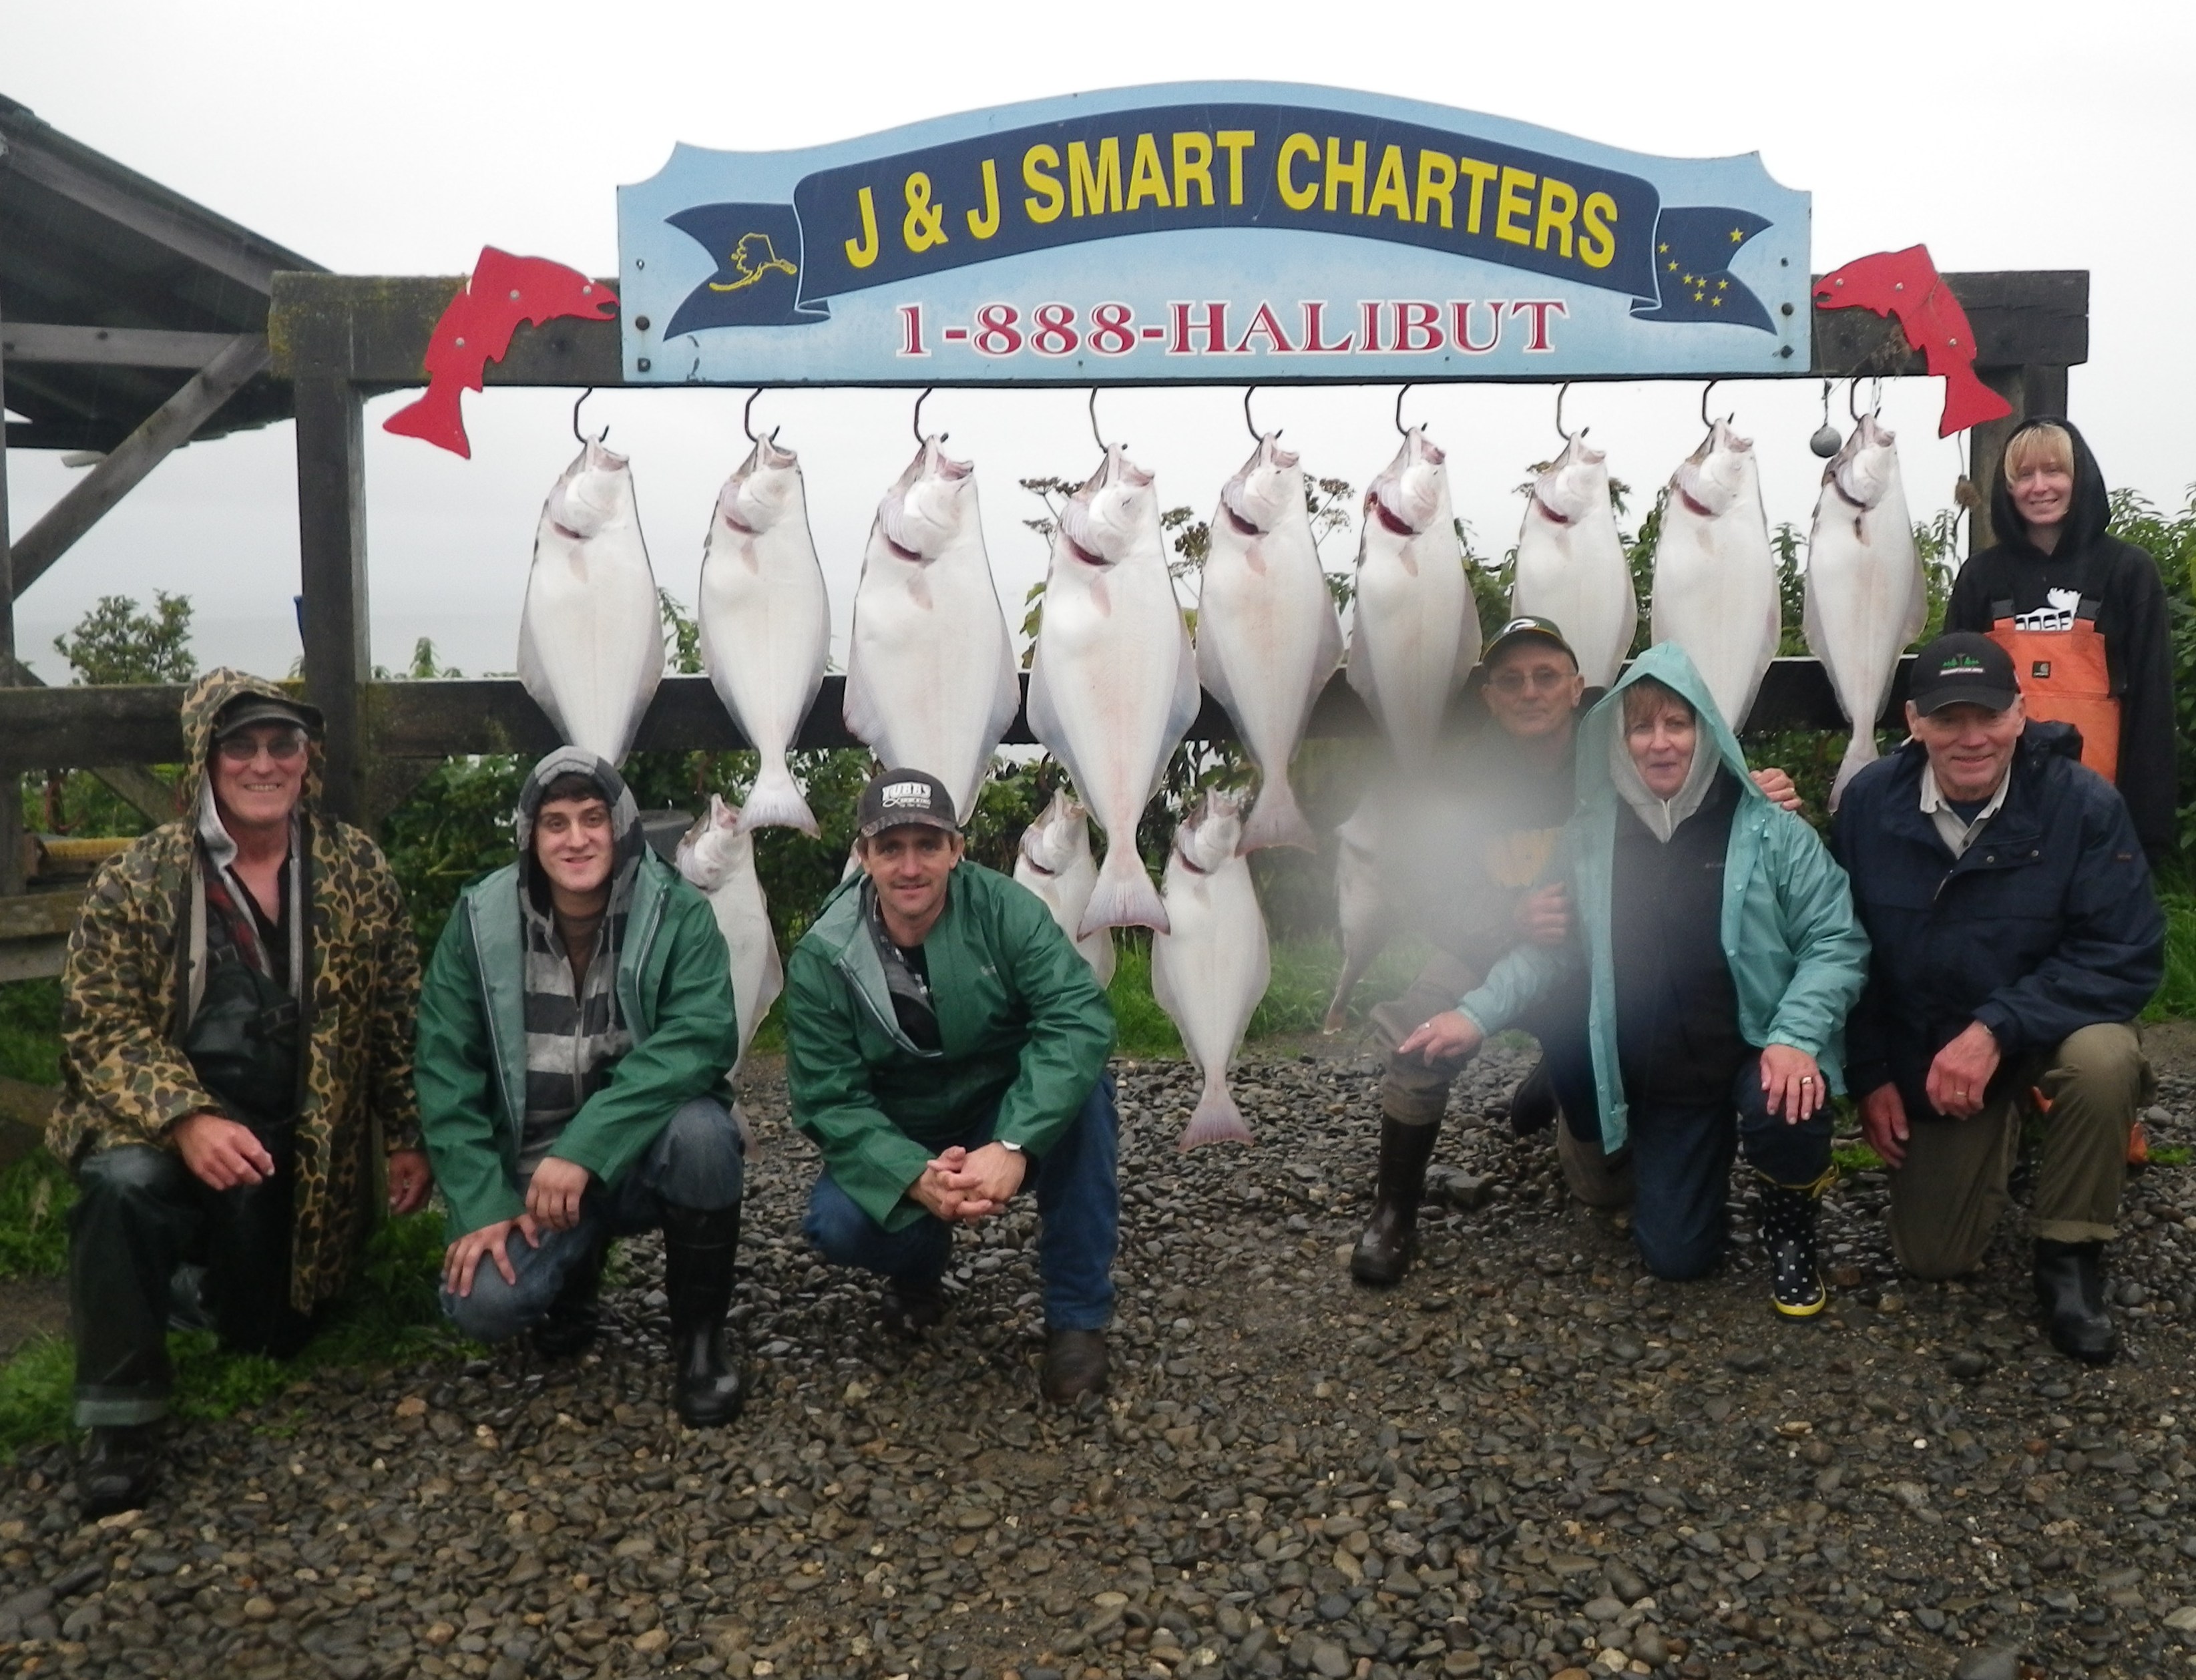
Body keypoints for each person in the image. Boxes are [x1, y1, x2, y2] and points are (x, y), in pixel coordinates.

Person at [53, 671, 429, 1516]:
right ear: (206, 757)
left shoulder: (358, 868)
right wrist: (187, 1118)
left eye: (282, 744)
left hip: (303, 1141)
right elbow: (96, 1025)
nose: (264, 764)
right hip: (167, 1132)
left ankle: (199, 1289)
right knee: (121, 1186)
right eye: (241, 745)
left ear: (308, 758)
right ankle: (121, 1419)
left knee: (269, 1336)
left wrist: (408, 1132)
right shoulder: (136, 878)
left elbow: (399, 1012)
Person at [1402, 643, 1870, 1314]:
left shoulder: (1769, 827)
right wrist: (1472, 1014)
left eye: (1676, 724)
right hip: (1668, 1080)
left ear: (1704, 729)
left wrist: (1796, 1035)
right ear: (1616, 740)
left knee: (1785, 1105)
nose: (1659, 743)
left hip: (1757, 1047)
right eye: (1639, 727)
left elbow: (1836, 939)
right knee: (1676, 1260)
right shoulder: (1589, 837)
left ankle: (1789, 1227)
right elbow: (1552, 950)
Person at [1833, 633, 2163, 1363]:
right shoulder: (1866, 804)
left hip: (2038, 1027)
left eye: (1987, 714)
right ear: (1914, 721)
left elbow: (2126, 953)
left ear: (2020, 712)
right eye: (1948, 718)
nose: (1971, 737)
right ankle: (2007, 1128)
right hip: (1932, 1044)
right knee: (1932, 1257)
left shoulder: (2083, 803)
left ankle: (2069, 1251)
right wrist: (1870, 1074)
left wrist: (1996, 1027)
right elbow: (1844, 951)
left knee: (2104, 1060)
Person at [415, 749, 748, 1424]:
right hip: (528, 1172)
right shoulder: (477, 920)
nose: (576, 839)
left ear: (620, 825)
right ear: (530, 838)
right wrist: (480, 1202)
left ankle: (701, 1343)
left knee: (706, 1135)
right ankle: (573, 1276)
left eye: (593, 818)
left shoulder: (678, 912)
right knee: (483, 1302)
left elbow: (700, 1039)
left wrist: (585, 1149)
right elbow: (445, 1065)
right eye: (556, 822)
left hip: (633, 1156)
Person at [784, 767, 1118, 1404]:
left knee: (1087, 1099)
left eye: (928, 846)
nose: (910, 867)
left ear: (956, 851)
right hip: (901, 1128)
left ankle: (1077, 1320)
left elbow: (1077, 1017)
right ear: (863, 856)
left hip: (1000, 1109)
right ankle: (919, 1266)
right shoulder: (821, 955)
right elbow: (828, 1097)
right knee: (837, 1225)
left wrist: (1015, 1142)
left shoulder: (1009, 909)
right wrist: (912, 1173)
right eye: (890, 848)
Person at [1945, 417, 2175, 867]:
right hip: (1995, 813)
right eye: (2023, 476)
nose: (2039, 487)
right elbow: (1950, 698)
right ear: (2007, 489)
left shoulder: (2128, 570)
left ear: (2079, 478)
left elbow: (2152, 703)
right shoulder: (1980, 576)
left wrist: (2146, 828)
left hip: (2098, 811)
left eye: (2053, 471)